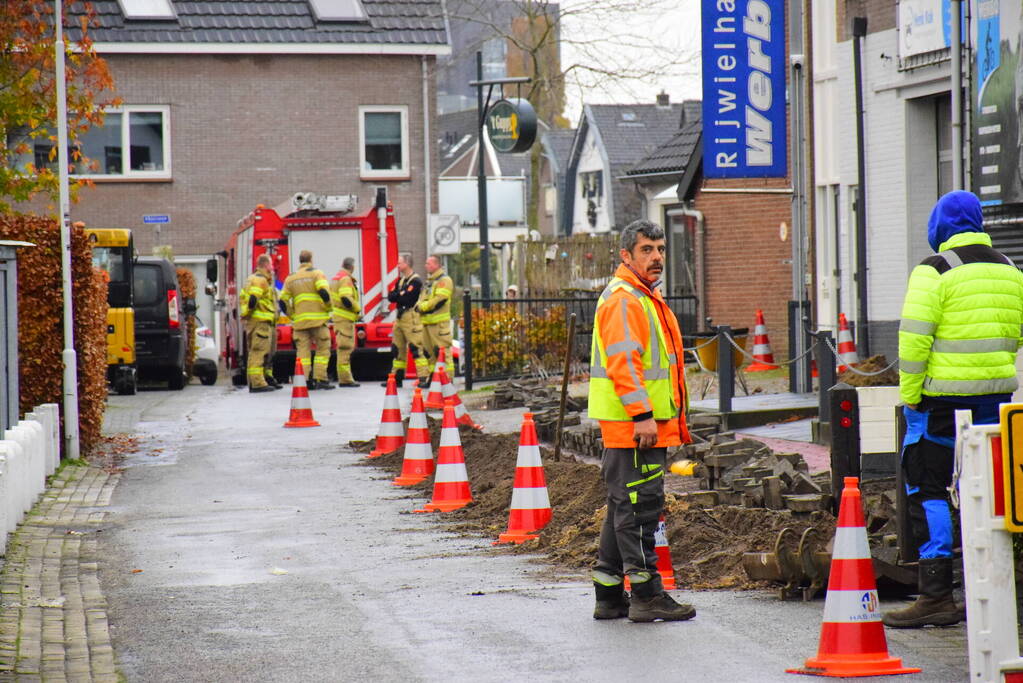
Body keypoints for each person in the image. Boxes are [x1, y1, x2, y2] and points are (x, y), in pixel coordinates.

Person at [884, 190, 1023, 628]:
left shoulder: (935, 270)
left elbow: (913, 340)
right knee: (988, 490)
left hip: (940, 403)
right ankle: (993, 588)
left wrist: (910, 394)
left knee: (929, 489)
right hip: (996, 399)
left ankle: (937, 595)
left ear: (940, 225)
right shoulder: (1009, 268)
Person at [587, 219, 695, 623]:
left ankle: (609, 594)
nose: (656, 257)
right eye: (647, 249)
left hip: (640, 425)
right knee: (640, 509)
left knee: (625, 507)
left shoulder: (642, 297)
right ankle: (647, 594)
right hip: (636, 426)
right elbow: (624, 365)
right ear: (626, 256)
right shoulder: (625, 299)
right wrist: (644, 416)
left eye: (661, 249)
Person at [280, 250, 334, 390]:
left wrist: (293, 315)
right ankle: (320, 378)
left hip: (300, 323)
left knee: (302, 353)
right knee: (322, 349)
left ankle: (304, 381)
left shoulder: (290, 278)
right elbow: (323, 292)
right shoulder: (317, 274)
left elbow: (282, 301)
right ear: (311, 260)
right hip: (318, 321)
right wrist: (328, 307)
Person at [384, 253, 431, 388]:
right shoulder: (401, 280)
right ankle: (396, 378)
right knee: (397, 349)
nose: (398, 266)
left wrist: (400, 294)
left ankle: (423, 377)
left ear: (407, 264)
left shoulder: (415, 281)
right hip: (399, 317)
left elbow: (406, 299)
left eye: (399, 263)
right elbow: (391, 297)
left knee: (416, 348)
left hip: (411, 317)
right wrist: (400, 293)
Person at [241, 253, 281, 393]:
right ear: (265, 265)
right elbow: (253, 299)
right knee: (258, 352)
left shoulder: (255, 279)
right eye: (270, 264)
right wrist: (253, 313)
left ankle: (256, 381)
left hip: (257, 322)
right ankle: (258, 382)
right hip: (260, 322)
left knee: (256, 352)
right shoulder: (260, 280)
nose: (272, 267)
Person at [417, 255, 454, 374]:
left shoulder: (444, 280)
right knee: (429, 353)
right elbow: (423, 298)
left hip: (439, 325)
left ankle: (447, 379)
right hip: (427, 322)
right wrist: (418, 305)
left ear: (437, 265)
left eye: (429, 263)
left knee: (442, 351)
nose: (426, 265)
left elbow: (440, 299)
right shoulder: (431, 281)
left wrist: (423, 307)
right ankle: (433, 377)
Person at [330, 257, 361, 388]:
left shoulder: (336, 277)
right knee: (345, 348)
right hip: (344, 320)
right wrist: (357, 309)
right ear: (352, 267)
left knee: (343, 348)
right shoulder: (345, 279)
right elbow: (346, 299)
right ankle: (345, 379)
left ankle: (345, 377)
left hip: (339, 318)